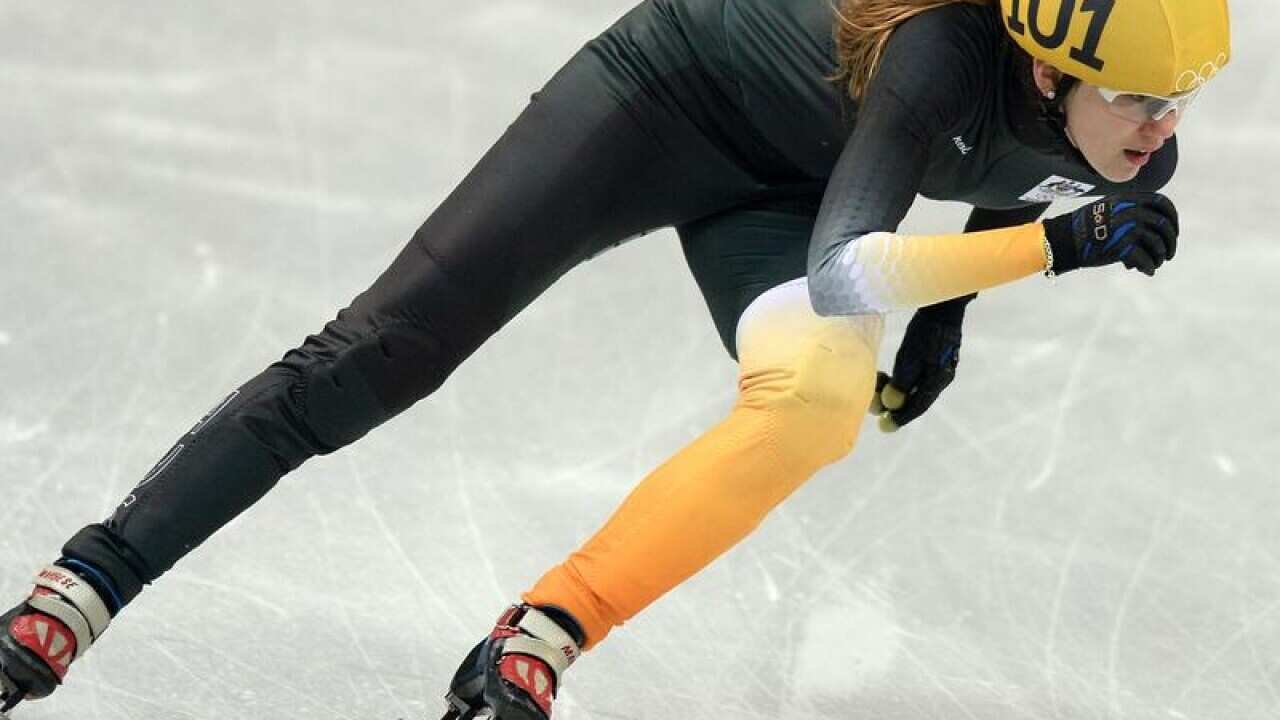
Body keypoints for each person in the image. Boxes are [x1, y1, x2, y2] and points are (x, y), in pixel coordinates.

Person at [0, 0, 1229, 717]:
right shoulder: (940, 52)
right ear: (1046, 64)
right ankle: (83, 586)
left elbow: (1023, 174)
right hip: (661, 101)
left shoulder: (1120, 141)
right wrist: (1046, 255)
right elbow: (848, 269)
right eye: (1139, 99)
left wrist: (943, 317)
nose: (1162, 127)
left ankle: (537, 637)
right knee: (387, 349)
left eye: (1180, 99)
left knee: (814, 406)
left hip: (795, 189)